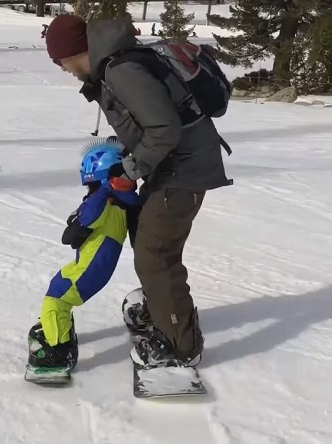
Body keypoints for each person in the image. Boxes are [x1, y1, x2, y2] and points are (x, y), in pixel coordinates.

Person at [44, 14, 232, 369]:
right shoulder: (114, 67)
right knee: (145, 233)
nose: (64, 70)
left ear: (75, 52)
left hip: (184, 170)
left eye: (62, 61)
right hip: (174, 166)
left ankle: (180, 346)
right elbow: (149, 123)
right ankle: (161, 309)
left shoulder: (120, 71)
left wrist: (129, 169)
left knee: (155, 254)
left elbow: (164, 130)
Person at [26, 140, 140, 378]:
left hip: (90, 270)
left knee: (56, 299)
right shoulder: (118, 201)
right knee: (58, 284)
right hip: (88, 265)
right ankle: (58, 327)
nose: (88, 190)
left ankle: (57, 351)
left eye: (90, 185)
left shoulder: (105, 201)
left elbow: (87, 217)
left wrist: (79, 221)